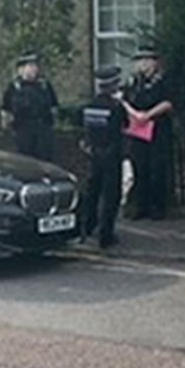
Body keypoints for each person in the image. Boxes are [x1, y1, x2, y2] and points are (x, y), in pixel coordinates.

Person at [78, 65, 127, 249]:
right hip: (112, 153)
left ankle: (88, 227)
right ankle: (106, 235)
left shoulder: (89, 106)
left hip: (93, 153)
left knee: (93, 191)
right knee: (111, 195)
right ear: (113, 85)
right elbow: (125, 125)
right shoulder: (115, 107)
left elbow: (84, 128)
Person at [123, 48, 175, 220]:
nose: (142, 64)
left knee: (157, 169)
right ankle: (140, 206)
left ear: (154, 62)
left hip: (157, 128)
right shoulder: (133, 82)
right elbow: (124, 101)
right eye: (139, 61)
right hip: (138, 129)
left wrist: (148, 114)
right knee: (139, 168)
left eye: (146, 60)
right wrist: (135, 114)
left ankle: (158, 207)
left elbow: (168, 103)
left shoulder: (162, 81)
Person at [1, 52, 58, 162]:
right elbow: (6, 110)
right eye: (31, 66)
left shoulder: (44, 85)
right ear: (21, 69)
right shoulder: (14, 87)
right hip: (23, 131)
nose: (34, 69)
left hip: (43, 131)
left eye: (35, 66)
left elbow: (53, 107)